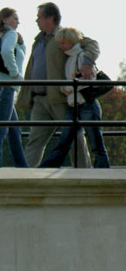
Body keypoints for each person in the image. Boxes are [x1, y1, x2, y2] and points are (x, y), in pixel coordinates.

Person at [16, 2, 99, 168]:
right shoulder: (38, 40)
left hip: (60, 99)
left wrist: (88, 62)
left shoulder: (65, 35)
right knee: (34, 141)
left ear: (50, 18)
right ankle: (24, 176)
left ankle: (84, 173)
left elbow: (92, 45)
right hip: (39, 100)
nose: (36, 20)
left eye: (39, 17)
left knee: (74, 138)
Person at [39, 28, 109, 168]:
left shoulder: (80, 57)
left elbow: (89, 79)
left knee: (94, 142)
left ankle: (47, 168)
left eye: (63, 43)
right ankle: (48, 167)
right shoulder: (73, 58)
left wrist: (68, 88)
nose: (61, 46)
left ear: (71, 42)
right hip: (76, 105)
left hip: (84, 104)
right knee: (66, 141)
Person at [0, 8, 29, 168]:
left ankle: (22, 166)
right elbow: (7, 51)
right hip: (5, 87)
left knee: (14, 130)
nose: (18, 22)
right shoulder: (10, 34)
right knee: (1, 130)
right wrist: (14, 73)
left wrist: (21, 44)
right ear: (4, 19)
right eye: (14, 18)